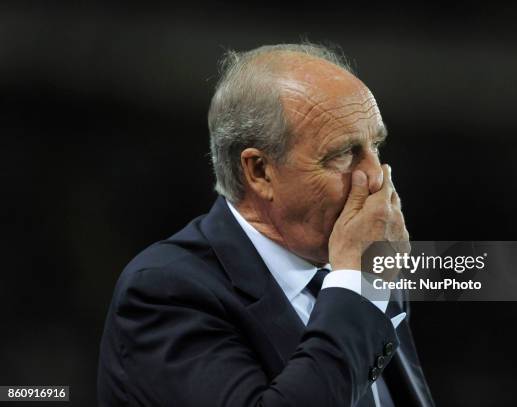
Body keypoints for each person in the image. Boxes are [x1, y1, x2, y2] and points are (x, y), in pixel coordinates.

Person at [98, 43, 434, 407]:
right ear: (259, 172)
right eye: (343, 154)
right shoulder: (166, 292)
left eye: (376, 147)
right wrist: (357, 287)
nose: (374, 176)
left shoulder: (364, 270)